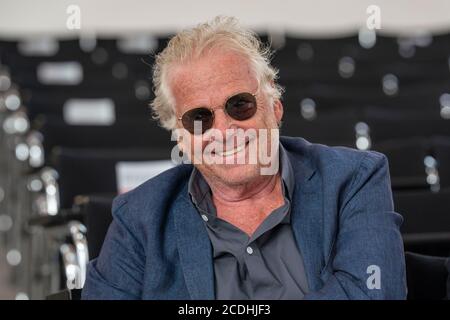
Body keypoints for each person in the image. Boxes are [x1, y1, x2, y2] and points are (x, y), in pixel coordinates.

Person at [82, 16, 407, 299]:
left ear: (275, 106)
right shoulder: (139, 219)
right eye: (199, 118)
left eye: (239, 106)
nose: (224, 131)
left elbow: (373, 293)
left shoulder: (353, 179)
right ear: (181, 137)